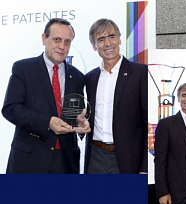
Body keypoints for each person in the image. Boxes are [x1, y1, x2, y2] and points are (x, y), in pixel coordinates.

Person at [2, 18, 90, 174]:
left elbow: (75, 113)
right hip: (29, 160)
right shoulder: (23, 69)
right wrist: (47, 122)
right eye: (57, 40)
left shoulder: (77, 76)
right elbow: (11, 109)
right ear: (44, 39)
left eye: (67, 41)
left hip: (66, 161)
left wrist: (80, 123)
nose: (62, 47)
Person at [84, 18, 148, 174]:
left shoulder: (140, 73)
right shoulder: (90, 78)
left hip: (128, 159)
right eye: (101, 39)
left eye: (112, 36)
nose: (107, 43)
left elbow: (148, 121)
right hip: (95, 157)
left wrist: (145, 167)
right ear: (94, 46)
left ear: (120, 40)